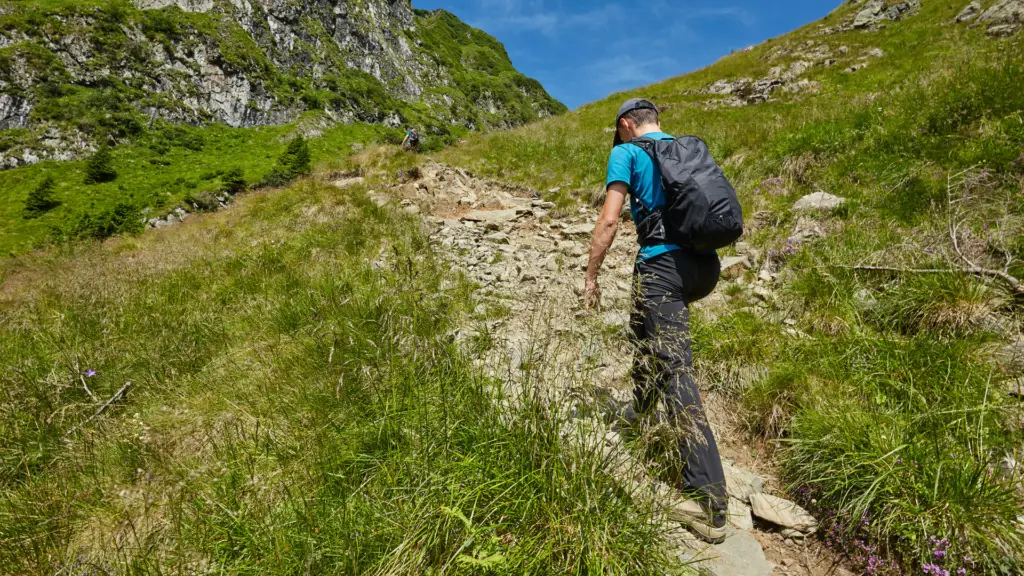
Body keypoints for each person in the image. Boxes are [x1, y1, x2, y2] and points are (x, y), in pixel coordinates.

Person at [583, 98, 728, 543]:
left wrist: (590, 276)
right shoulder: (686, 148)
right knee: (643, 331)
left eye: (620, 130)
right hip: (704, 267)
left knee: (674, 367)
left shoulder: (627, 152)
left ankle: (710, 503)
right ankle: (642, 412)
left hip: (661, 266)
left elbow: (609, 221)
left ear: (626, 124)